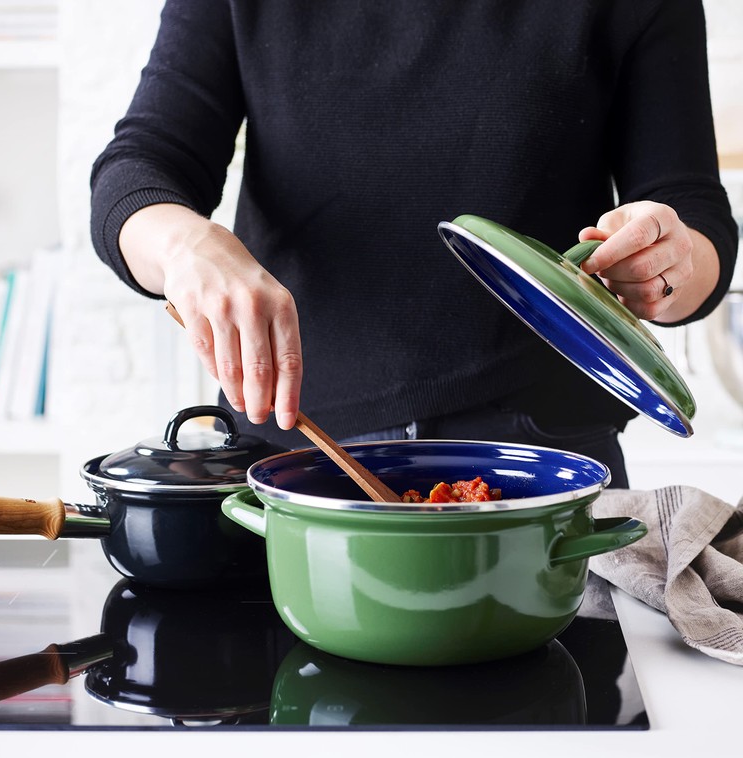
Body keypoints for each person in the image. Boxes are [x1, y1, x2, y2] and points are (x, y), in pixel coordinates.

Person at [90, 0, 738, 489]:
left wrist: (668, 260)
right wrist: (183, 245)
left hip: (545, 461)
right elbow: (138, 170)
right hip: (295, 456)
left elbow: (698, 223)